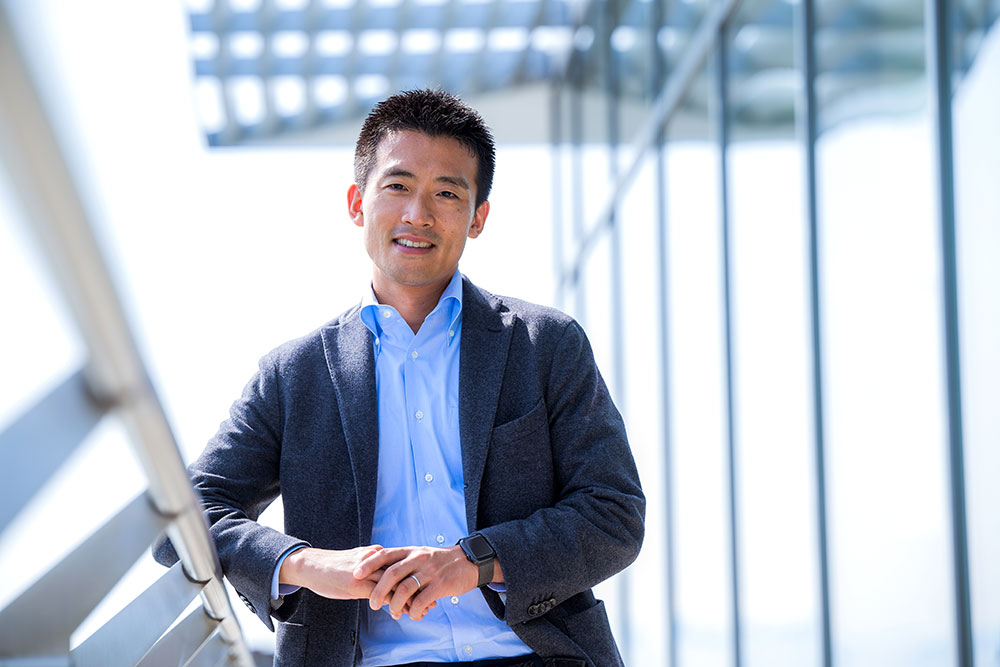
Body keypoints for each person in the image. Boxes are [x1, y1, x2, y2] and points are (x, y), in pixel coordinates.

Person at [154, 89, 644, 667]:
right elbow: (186, 516)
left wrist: (474, 562)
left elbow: (613, 512)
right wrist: (306, 564)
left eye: (447, 193)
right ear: (356, 203)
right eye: (397, 186)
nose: (418, 214)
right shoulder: (294, 376)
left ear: (478, 217)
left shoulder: (545, 344)